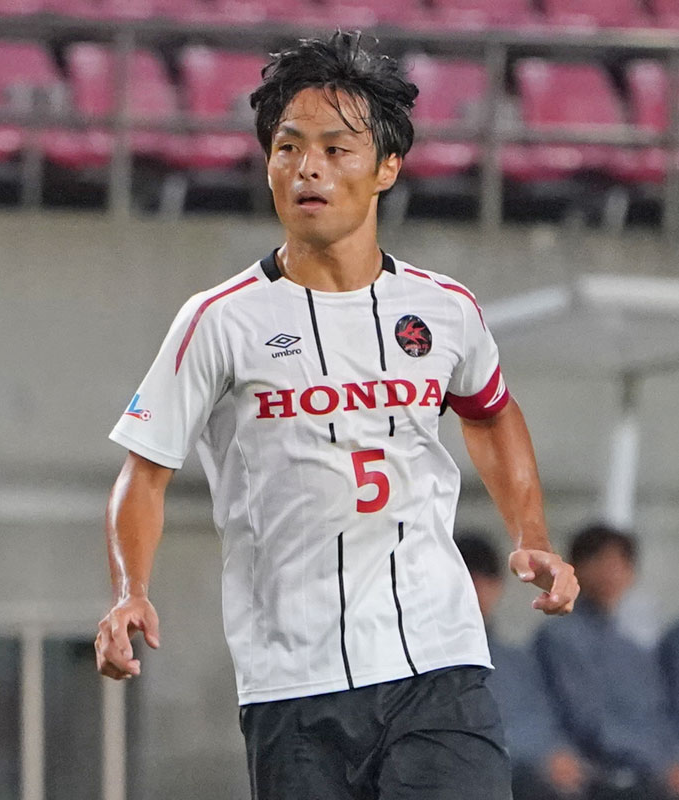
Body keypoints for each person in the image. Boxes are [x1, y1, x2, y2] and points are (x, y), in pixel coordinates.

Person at [94, 31, 579, 800]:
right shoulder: (217, 320)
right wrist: (130, 589)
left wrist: (531, 535)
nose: (307, 167)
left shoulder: (443, 309)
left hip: (437, 661)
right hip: (292, 681)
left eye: (334, 148)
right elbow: (145, 471)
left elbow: (489, 412)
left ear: (387, 166)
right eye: (287, 147)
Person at [535, 523, 679, 800]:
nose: (610, 572)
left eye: (620, 563)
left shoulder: (633, 650)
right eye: (599, 561)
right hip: (600, 776)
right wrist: (661, 764)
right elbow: (588, 721)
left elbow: (658, 715)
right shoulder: (560, 637)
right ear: (574, 569)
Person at [457, 531, 589, 800]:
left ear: (498, 586)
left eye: (486, 580)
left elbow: (545, 719)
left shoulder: (518, 660)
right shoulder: (432, 663)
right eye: (468, 579)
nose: (477, 590)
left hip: (537, 772)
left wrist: (557, 755)